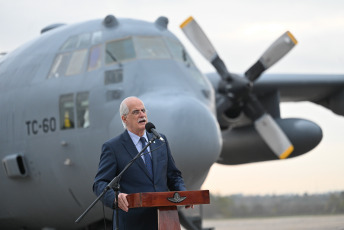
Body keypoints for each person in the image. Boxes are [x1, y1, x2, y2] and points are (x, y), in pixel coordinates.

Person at [93, 96, 189, 230]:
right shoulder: (113, 147)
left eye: (143, 110)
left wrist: (183, 193)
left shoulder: (160, 140)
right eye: (136, 112)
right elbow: (100, 183)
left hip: (164, 219)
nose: (142, 114)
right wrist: (116, 197)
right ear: (124, 118)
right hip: (132, 222)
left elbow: (173, 175)